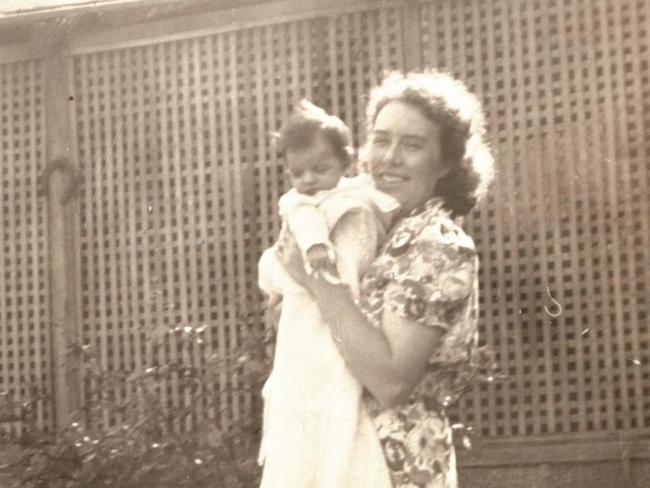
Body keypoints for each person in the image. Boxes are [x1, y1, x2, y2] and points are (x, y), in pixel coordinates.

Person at [276, 69, 494, 488]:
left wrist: (316, 282)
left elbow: (391, 381)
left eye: (412, 145)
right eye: (380, 139)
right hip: (336, 452)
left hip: (392, 465)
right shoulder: (377, 229)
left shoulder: (438, 244)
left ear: (447, 162)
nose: (389, 157)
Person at [257, 100, 400, 488]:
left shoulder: (353, 203)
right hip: (308, 314)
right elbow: (293, 237)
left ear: (346, 163)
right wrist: (301, 260)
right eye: (297, 172)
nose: (308, 180)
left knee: (337, 414)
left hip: (334, 317)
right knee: (308, 405)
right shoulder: (301, 201)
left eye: (320, 169)